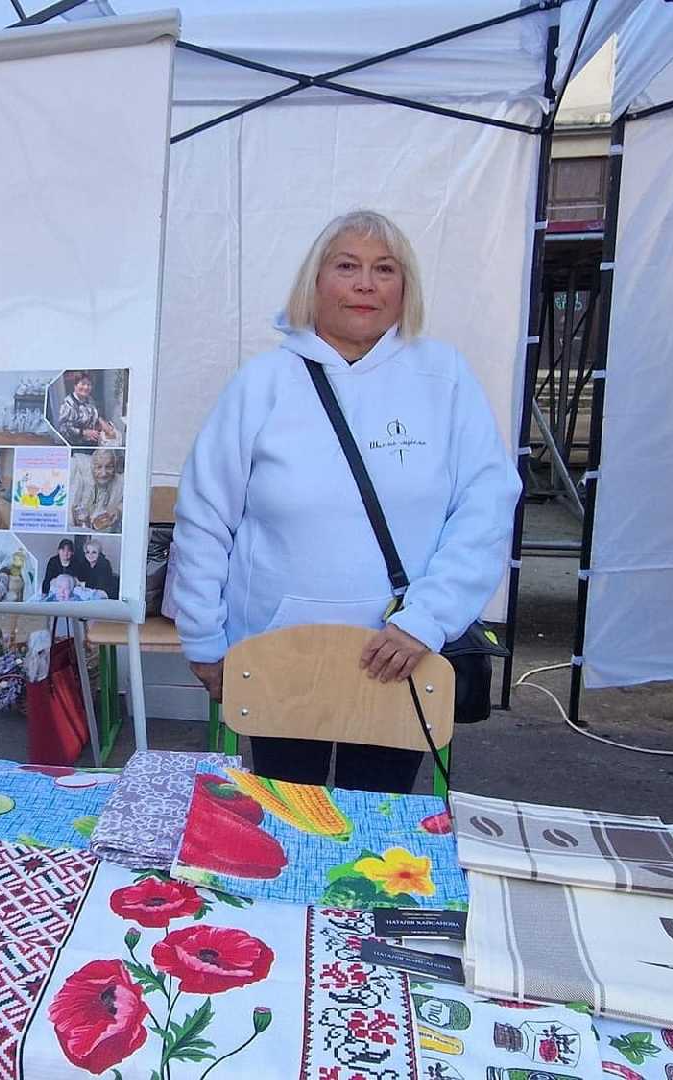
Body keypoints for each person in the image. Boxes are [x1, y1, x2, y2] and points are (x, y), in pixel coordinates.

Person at [171, 209, 519, 793]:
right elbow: (206, 515)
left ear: (405, 287)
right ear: (315, 282)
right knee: (286, 820)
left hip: (397, 654)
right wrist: (203, 637)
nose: (365, 284)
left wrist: (427, 620)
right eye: (347, 266)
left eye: (385, 269)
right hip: (278, 653)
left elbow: (485, 507)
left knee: (379, 833)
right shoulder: (263, 384)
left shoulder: (445, 378)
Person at [55, 372, 117, 446]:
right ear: (75, 385)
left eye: (89, 385)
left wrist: (105, 425)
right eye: (83, 384)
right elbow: (63, 428)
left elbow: (95, 415)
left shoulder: (89, 399)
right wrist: (84, 432)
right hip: (75, 446)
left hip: (91, 442)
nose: (86, 387)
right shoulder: (68, 404)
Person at [71, 449, 124, 532]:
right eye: (99, 467)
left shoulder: (120, 483)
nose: (104, 473)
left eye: (109, 467)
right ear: (91, 467)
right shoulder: (79, 473)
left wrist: (118, 511)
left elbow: (133, 501)